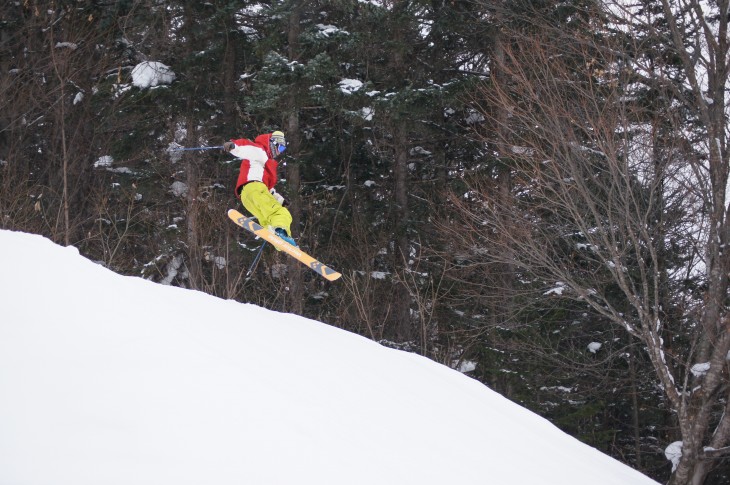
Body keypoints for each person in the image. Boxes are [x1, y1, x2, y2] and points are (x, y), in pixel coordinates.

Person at [223, 130, 297, 247]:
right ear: (272, 143)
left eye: (282, 150)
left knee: (267, 219)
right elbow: (246, 148)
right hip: (255, 188)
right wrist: (234, 146)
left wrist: (280, 200)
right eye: (279, 147)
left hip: (247, 196)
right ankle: (281, 233)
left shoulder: (265, 164)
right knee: (280, 213)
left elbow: (268, 189)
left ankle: (277, 239)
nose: (279, 152)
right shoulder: (260, 151)